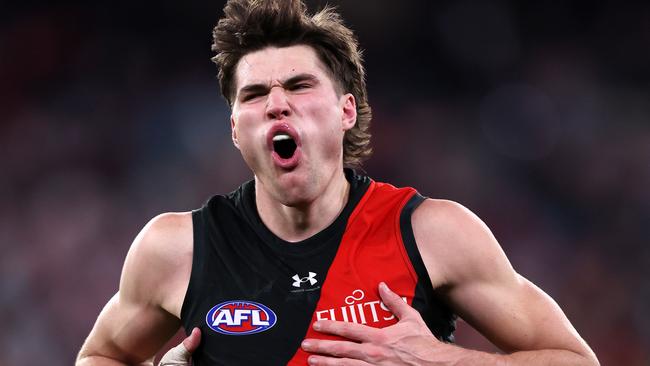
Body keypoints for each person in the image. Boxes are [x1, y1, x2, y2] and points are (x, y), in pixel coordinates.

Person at [77, 0, 599, 365]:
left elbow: (575, 360)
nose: (277, 102)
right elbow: (100, 356)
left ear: (346, 109)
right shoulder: (177, 249)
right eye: (255, 94)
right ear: (236, 129)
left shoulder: (433, 233)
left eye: (299, 85)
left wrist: (439, 360)